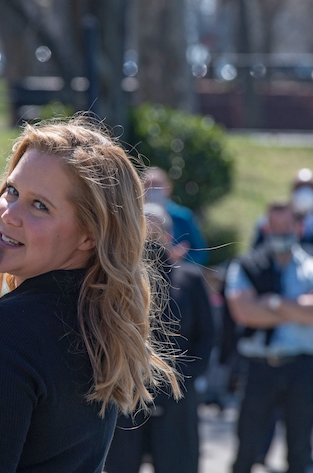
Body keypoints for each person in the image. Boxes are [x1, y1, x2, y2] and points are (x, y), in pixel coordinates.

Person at [0, 118, 182, 472]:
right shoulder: (93, 320)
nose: (9, 214)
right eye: (12, 191)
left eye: (39, 205)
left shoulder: (2, 332)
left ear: (89, 235)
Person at [226, 200, 313, 473]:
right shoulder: (248, 265)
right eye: (274, 228)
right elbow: (243, 312)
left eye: (286, 227)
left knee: (299, 450)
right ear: (266, 228)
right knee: (247, 448)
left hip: (301, 368)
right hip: (259, 367)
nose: (280, 233)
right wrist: (299, 309)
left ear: (298, 228)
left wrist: (272, 303)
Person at [104, 203, 215, 473]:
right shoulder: (116, 280)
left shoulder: (189, 279)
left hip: (178, 397)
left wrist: (183, 379)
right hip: (127, 395)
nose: (150, 242)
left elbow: (207, 335)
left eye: (156, 234)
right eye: (145, 234)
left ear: (168, 235)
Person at [254, 168, 313, 266]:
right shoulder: (268, 225)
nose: (305, 194)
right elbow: (255, 260)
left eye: (310, 188)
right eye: (299, 187)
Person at [143, 166, 209, 266]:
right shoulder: (135, 218)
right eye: (148, 185)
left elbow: (201, 254)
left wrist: (178, 259)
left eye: (157, 185)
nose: (153, 189)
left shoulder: (183, 216)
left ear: (168, 187)